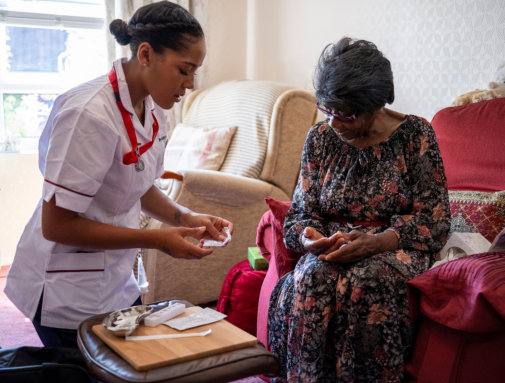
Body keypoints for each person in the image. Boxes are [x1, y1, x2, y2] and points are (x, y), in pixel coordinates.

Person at [4, 1, 232, 349]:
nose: (190, 84)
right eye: (184, 70)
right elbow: (57, 225)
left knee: (134, 363)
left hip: (116, 280)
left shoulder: (155, 108)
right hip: (65, 288)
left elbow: (139, 184)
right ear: (145, 54)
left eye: (194, 72)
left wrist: (184, 217)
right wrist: (156, 240)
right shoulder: (88, 114)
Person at [268, 37, 451, 383]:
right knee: (310, 277)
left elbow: (436, 221)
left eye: (346, 115)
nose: (335, 125)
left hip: (394, 248)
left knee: (365, 281)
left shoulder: (416, 135)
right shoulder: (320, 139)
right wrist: (310, 240)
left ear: (375, 104)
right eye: (328, 111)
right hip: (332, 247)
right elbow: (299, 216)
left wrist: (377, 242)